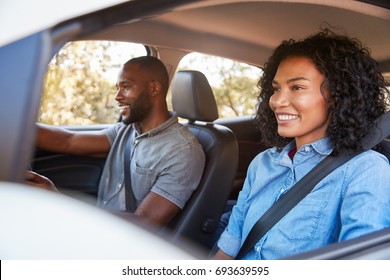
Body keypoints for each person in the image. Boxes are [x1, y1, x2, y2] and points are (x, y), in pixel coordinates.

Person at [213, 28, 390, 260]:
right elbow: (230, 246)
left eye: (296, 87)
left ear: (336, 97)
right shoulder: (263, 163)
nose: (277, 101)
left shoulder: (365, 170)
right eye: (276, 89)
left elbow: (362, 265)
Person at [27, 56, 205, 229]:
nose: (117, 97)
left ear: (154, 88)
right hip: (96, 228)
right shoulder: (127, 130)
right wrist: (15, 125)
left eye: (126, 87)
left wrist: (60, 202)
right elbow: (68, 141)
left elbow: (144, 222)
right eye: (117, 88)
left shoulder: (184, 151)